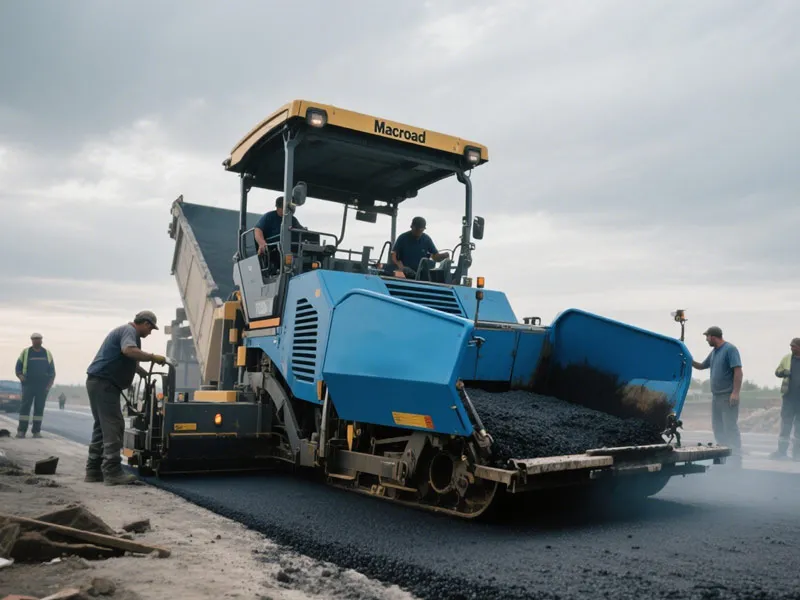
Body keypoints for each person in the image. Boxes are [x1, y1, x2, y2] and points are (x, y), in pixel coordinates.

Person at [84, 311, 167, 485]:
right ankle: (112, 471)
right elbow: (128, 351)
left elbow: (128, 358)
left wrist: (140, 371)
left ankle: (93, 470)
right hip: (104, 383)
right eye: (150, 328)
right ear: (144, 323)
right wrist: (152, 357)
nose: (150, 332)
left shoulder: (127, 333)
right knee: (114, 425)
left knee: (102, 426)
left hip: (99, 383)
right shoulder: (129, 331)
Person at [691, 326, 743, 464]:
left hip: (727, 396)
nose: (706, 339)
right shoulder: (714, 352)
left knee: (729, 426)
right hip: (716, 397)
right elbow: (702, 366)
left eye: (707, 337)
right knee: (718, 426)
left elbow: (738, 371)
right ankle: (722, 454)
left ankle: (736, 455)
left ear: (713, 337)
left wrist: (735, 393)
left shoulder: (730, 349)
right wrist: (687, 358)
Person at [15, 333, 56, 439]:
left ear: (42, 340)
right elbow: (18, 368)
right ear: (31, 341)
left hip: (42, 386)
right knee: (25, 408)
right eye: (35, 339)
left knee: (39, 409)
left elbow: (52, 371)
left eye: (39, 339)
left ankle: (36, 431)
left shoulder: (46, 353)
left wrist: (49, 386)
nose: (37, 341)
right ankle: (21, 431)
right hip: (28, 385)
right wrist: (21, 376)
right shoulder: (25, 353)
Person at [770, 337, 800, 461]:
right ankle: (781, 452)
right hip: (788, 398)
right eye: (791, 346)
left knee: (799, 428)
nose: (791, 348)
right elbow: (777, 372)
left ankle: (797, 455)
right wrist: (784, 373)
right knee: (785, 427)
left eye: (793, 346)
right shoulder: (787, 358)